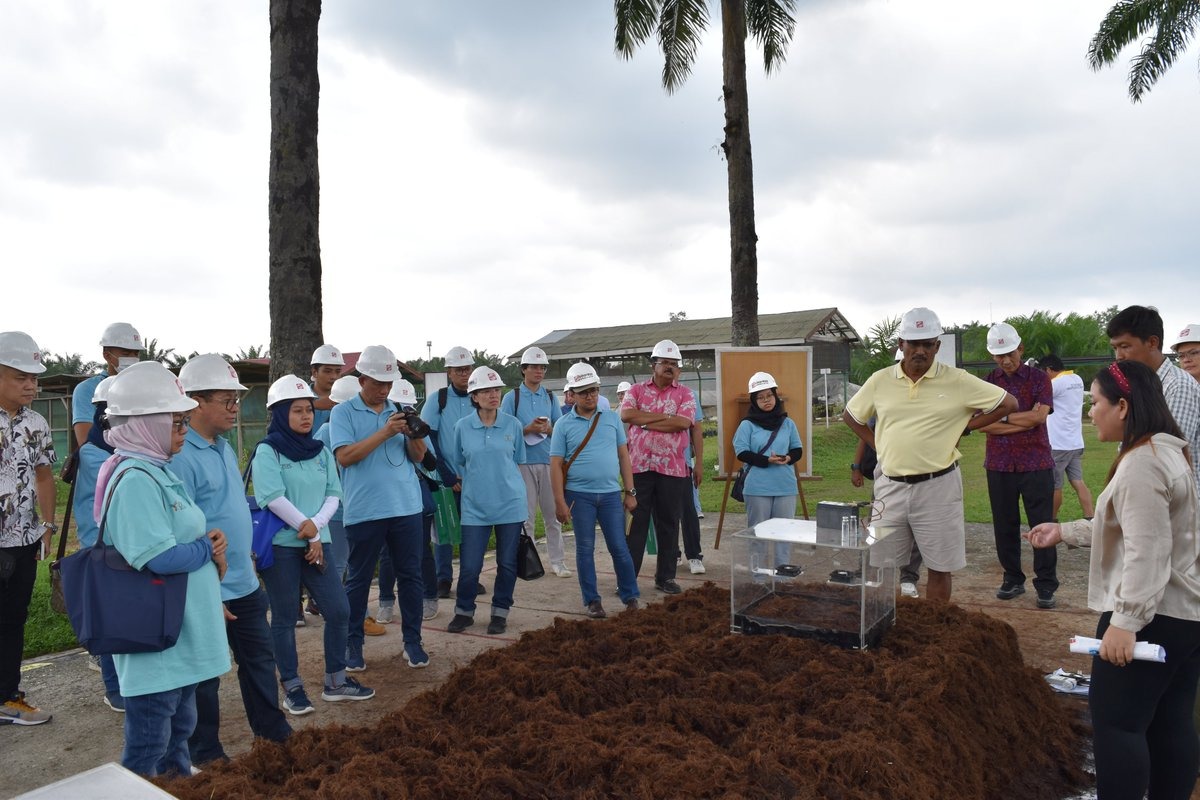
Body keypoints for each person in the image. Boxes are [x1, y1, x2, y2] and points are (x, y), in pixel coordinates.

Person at [1026, 360, 1200, 800]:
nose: (1090, 413)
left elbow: (1147, 549)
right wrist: (1064, 531)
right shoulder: (1168, 449)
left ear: (1122, 406)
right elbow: (1133, 526)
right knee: (1170, 722)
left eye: (1096, 403)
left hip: (1151, 616)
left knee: (1117, 725)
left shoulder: (1143, 463)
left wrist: (1125, 622)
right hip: (1185, 616)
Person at [94, 361, 230, 775]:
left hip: (176, 632)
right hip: (157, 640)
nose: (184, 432)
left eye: (183, 422)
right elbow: (157, 556)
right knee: (150, 743)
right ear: (146, 425)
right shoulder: (136, 478)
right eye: (176, 423)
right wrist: (206, 550)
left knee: (178, 732)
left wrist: (206, 548)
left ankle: (178, 784)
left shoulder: (156, 470)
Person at [843, 307, 1016, 603]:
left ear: (938, 346)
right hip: (889, 486)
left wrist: (966, 427)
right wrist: (879, 445)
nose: (920, 351)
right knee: (880, 563)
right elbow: (851, 416)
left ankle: (936, 631)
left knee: (940, 565)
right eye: (913, 344)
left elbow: (1007, 404)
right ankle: (884, 626)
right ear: (901, 345)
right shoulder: (880, 380)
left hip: (939, 487)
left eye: (927, 344)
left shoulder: (958, 380)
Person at [173, 354, 291, 764]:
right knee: (205, 676)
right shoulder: (180, 455)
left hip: (244, 581)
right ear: (195, 402)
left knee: (260, 660)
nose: (234, 407)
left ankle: (274, 736)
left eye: (235, 399)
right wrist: (212, 593)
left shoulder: (222, 446)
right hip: (210, 589)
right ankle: (205, 752)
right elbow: (187, 529)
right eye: (226, 399)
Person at [252, 376, 372, 715]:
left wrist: (316, 530)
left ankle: (336, 681)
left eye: (309, 410)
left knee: (338, 610)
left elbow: (335, 493)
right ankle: (291, 685)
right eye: (298, 411)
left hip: (318, 542)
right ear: (279, 413)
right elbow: (271, 497)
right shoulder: (268, 450)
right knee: (286, 616)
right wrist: (308, 528)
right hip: (281, 545)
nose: (306, 417)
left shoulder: (320, 451)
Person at [331, 345, 430, 672]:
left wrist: (413, 434)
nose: (384, 390)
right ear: (361, 379)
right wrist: (385, 431)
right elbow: (345, 457)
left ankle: (413, 643)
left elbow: (418, 458)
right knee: (358, 580)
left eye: (389, 383)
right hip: (365, 510)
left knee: (411, 577)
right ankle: (353, 644)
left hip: (406, 507)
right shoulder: (343, 413)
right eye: (377, 383)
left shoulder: (400, 409)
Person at [550, 363, 640, 618]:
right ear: (572, 395)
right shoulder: (563, 425)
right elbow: (555, 465)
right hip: (579, 496)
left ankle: (630, 596)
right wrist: (559, 501)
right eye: (583, 392)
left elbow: (624, 457)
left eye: (593, 390)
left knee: (619, 547)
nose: (590, 395)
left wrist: (630, 492)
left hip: (611, 495)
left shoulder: (612, 419)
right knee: (585, 549)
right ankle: (592, 601)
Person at [979, 323, 1058, 609]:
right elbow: (982, 424)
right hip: (999, 465)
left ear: (1021, 349)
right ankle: (1012, 578)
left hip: (1036, 463)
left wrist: (1001, 421)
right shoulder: (988, 382)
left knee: (1043, 524)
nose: (1005, 360)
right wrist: (1020, 420)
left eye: (1009, 353)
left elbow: (1040, 418)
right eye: (998, 355)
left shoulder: (1039, 379)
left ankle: (1046, 584)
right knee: (1004, 525)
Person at [443, 367, 527, 635]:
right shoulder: (462, 427)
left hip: (510, 505)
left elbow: (516, 461)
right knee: (469, 566)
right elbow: (459, 460)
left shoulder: (512, 425)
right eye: (487, 391)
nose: (494, 395)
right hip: (474, 508)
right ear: (474, 396)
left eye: (496, 390)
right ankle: (464, 612)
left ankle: (500, 613)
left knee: (507, 563)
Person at [0, 332, 57, 726]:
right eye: (21, 376)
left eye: (34, 378)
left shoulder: (36, 422)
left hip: (24, 539)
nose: (31, 385)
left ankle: (7, 697)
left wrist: (48, 526)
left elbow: (44, 476)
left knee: (13, 621)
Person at [619, 339, 697, 595]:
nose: (670, 368)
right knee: (636, 526)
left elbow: (684, 423)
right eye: (665, 362)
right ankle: (628, 581)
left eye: (674, 364)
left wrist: (645, 422)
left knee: (668, 524)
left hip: (672, 470)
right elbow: (627, 415)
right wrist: (665, 417)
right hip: (639, 468)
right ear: (653, 364)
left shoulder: (685, 394)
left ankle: (665, 578)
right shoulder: (637, 390)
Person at [72, 375, 126, 711]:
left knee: (126, 615)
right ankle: (113, 687)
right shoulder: (94, 454)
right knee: (109, 618)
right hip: (100, 546)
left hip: (122, 545)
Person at [1107, 305, 1200, 496]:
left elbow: (1167, 452)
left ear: (1152, 343)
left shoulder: (1178, 385)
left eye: (1125, 346)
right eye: (1115, 348)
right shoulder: (1141, 385)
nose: (1119, 356)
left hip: (1172, 501)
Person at [419, 346, 486, 598]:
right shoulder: (439, 399)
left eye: (467, 369)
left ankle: (470, 578)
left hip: (474, 477)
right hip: (446, 478)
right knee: (445, 530)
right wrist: (446, 474)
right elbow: (429, 438)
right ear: (449, 372)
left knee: (473, 530)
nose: (464, 374)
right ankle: (443, 579)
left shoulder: (478, 397)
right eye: (458, 370)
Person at [501, 347, 570, 578]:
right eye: (534, 367)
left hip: (548, 461)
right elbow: (504, 430)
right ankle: (528, 562)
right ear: (523, 369)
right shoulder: (512, 397)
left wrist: (547, 429)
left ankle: (557, 561)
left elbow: (559, 429)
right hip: (522, 462)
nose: (539, 371)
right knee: (526, 517)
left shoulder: (550, 396)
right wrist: (526, 429)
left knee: (553, 515)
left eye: (542, 367)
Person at [376, 378, 441, 623]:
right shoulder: (380, 427)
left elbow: (431, 462)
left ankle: (429, 597)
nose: (405, 414)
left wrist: (414, 436)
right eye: (400, 408)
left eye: (409, 409)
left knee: (421, 550)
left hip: (414, 497)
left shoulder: (417, 428)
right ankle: (385, 602)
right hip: (386, 498)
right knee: (386, 554)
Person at [733, 371, 803, 549]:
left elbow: (797, 450)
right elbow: (741, 452)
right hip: (757, 487)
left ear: (775, 396)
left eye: (770, 395)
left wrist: (788, 457)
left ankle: (782, 576)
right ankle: (759, 576)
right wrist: (766, 460)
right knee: (758, 533)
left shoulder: (788, 423)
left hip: (785, 486)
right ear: (754, 401)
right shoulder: (747, 425)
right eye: (761, 397)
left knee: (784, 534)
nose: (766, 400)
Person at [313, 374, 361, 583]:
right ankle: (343, 613)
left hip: (357, 505)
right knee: (339, 562)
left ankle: (333, 607)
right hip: (336, 510)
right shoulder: (326, 431)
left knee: (353, 562)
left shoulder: (360, 430)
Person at [1036, 353, 1095, 521]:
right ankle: (1090, 518)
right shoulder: (1077, 379)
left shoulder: (1055, 383)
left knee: (1055, 486)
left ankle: (1051, 520)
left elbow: (1038, 398)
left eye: (1043, 372)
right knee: (1077, 481)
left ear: (1048, 369)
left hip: (1058, 444)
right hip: (1075, 442)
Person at [71, 322, 143, 448]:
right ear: (107, 355)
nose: (132, 358)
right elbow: (87, 444)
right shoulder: (87, 390)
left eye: (136, 353)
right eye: (126, 353)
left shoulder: (144, 388)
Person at [309, 344, 344, 432]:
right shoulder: (299, 395)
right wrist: (313, 405)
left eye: (338, 371)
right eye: (327, 371)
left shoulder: (346, 398)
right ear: (314, 372)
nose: (333, 376)